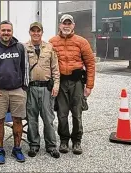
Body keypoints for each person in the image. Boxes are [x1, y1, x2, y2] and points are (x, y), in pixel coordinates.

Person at [0, 20, 29, 164]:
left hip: (17, 91)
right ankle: (0, 150)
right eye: (3, 30)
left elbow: (25, 68)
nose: (6, 33)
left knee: (17, 120)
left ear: (12, 32)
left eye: (9, 30)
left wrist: (24, 89)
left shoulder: (20, 47)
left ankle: (17, 149)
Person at [49, 14, 95, 155]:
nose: (66, 26)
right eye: (64, 23)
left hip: (77, 83)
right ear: (60, 25)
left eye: (69, 23)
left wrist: (89, 86)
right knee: (62, 114)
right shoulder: (52, 42)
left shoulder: (82, 42)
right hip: (61, 83)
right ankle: (63, 140)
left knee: (77, 113)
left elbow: (90, 64)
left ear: (73, 25)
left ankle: (76, 141)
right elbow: (47, 63)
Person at [25, 22, 61, 158]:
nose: (35, 33)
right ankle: (34, 145)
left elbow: (55, 69)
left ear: (42, 32)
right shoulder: (24, 48)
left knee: (48, 118)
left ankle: (51, 146)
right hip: (31, 88)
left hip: (46, 88)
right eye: (33, 31)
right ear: (30, 32)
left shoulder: (49, 48)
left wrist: (56, 85)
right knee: (32, 118)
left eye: (38, 31)